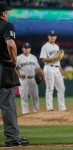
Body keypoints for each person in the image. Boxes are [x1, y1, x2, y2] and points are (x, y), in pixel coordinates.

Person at [0, 2, 29, 147]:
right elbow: (10, 44)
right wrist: (14, 60)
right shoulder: (6, 25)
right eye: (7, 11)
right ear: (3, 13)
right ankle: (12, 138)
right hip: (3, 68)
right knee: (8, 105)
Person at [40, 30, 67, 112]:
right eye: (51, 35)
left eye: (54, 35)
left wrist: (61, 70)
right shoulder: (45, 46)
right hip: (49, 68)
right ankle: (49, 108)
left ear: (56, 37)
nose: (52, 37)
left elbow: (58, 60)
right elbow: (42, 59)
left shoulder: (57, 46)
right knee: (49, 88)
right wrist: (52, 59)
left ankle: (62, 108)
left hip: (57, 68)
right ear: (48, 37)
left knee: (61, 88)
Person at [16, 42, 44, 114]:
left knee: (35, 97)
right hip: (23, 80)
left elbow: (38, 68)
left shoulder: (33, 57)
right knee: (24, 98)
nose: (27, 49)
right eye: (25, 48)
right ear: (22, 49)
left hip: (33, 79)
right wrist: (18, 74)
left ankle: (36, 112)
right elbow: (13, 68)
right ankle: (25, 113)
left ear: (30, 49)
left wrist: (43, 75)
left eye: (28, 48)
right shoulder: (18, 58)